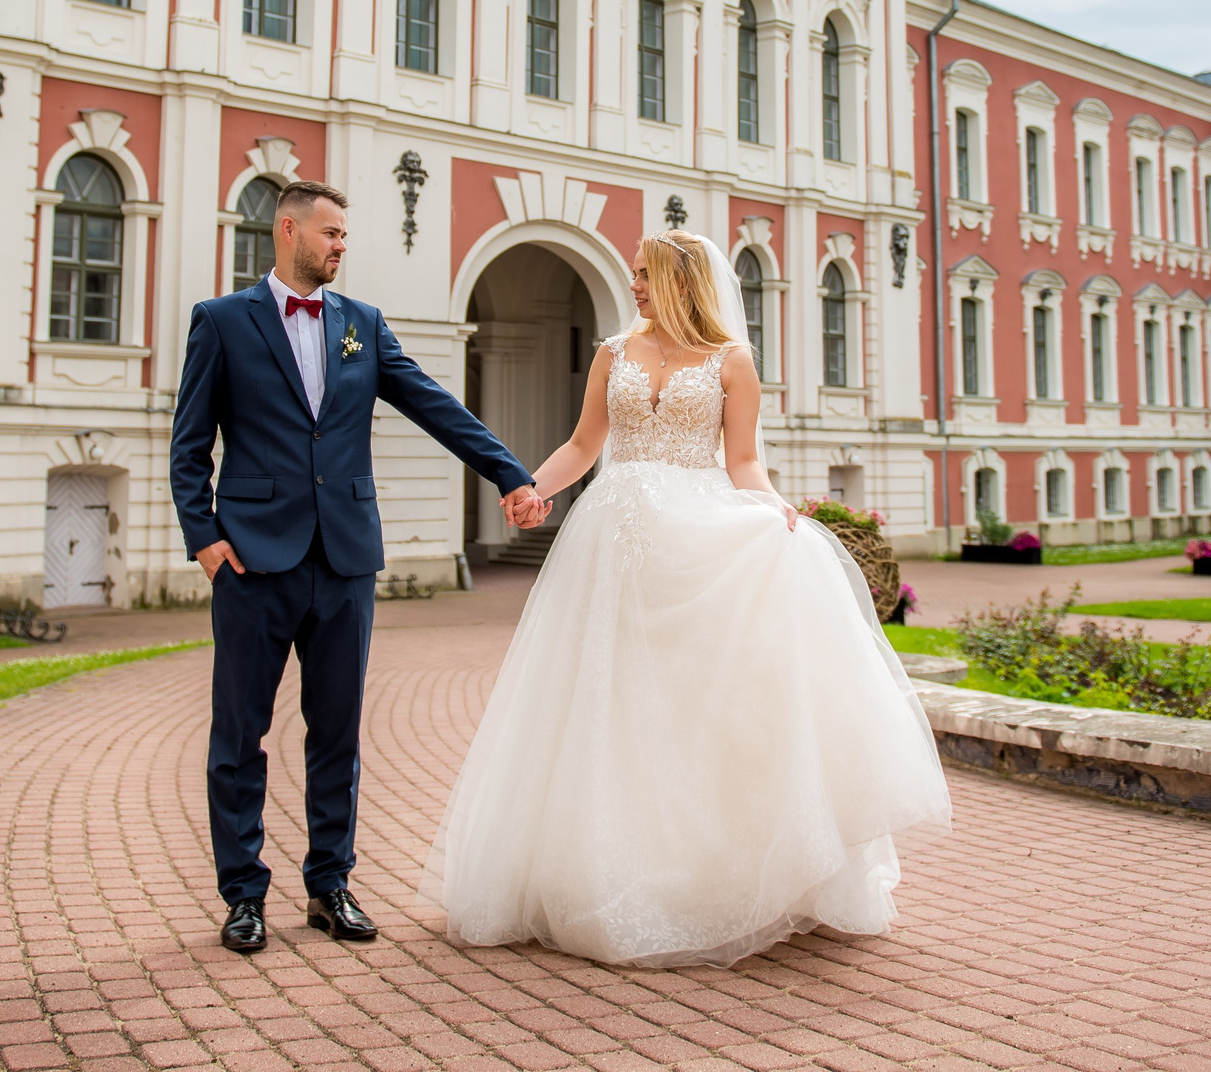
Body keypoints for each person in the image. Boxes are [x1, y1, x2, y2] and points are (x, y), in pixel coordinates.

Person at [421, 230, 950, 967]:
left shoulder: (733, 362)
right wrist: (531, 488)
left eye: (643, 274)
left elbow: (742, 460)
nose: (633, 283)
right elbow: (582, 444)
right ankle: (598, 867)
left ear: (680, 280)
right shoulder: (613, 353)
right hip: (613, 540)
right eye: (634, 273)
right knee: (610, 700)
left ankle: (708, 872)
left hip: (697, 539)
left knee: (690, 704)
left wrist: (775, 510)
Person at [169, 179, 544, 956]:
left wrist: (509, 472)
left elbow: (435, 403)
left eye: (344, 235)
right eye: (330, 233)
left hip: (343, 559)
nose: (341, 245)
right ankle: (243, 894)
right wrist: (205, 538)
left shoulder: (362, 326)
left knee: (336, 731)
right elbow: (188, 443)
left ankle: (329, 884)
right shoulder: (222, 322)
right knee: (239, 733)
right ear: (287, 230)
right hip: (251, 561)